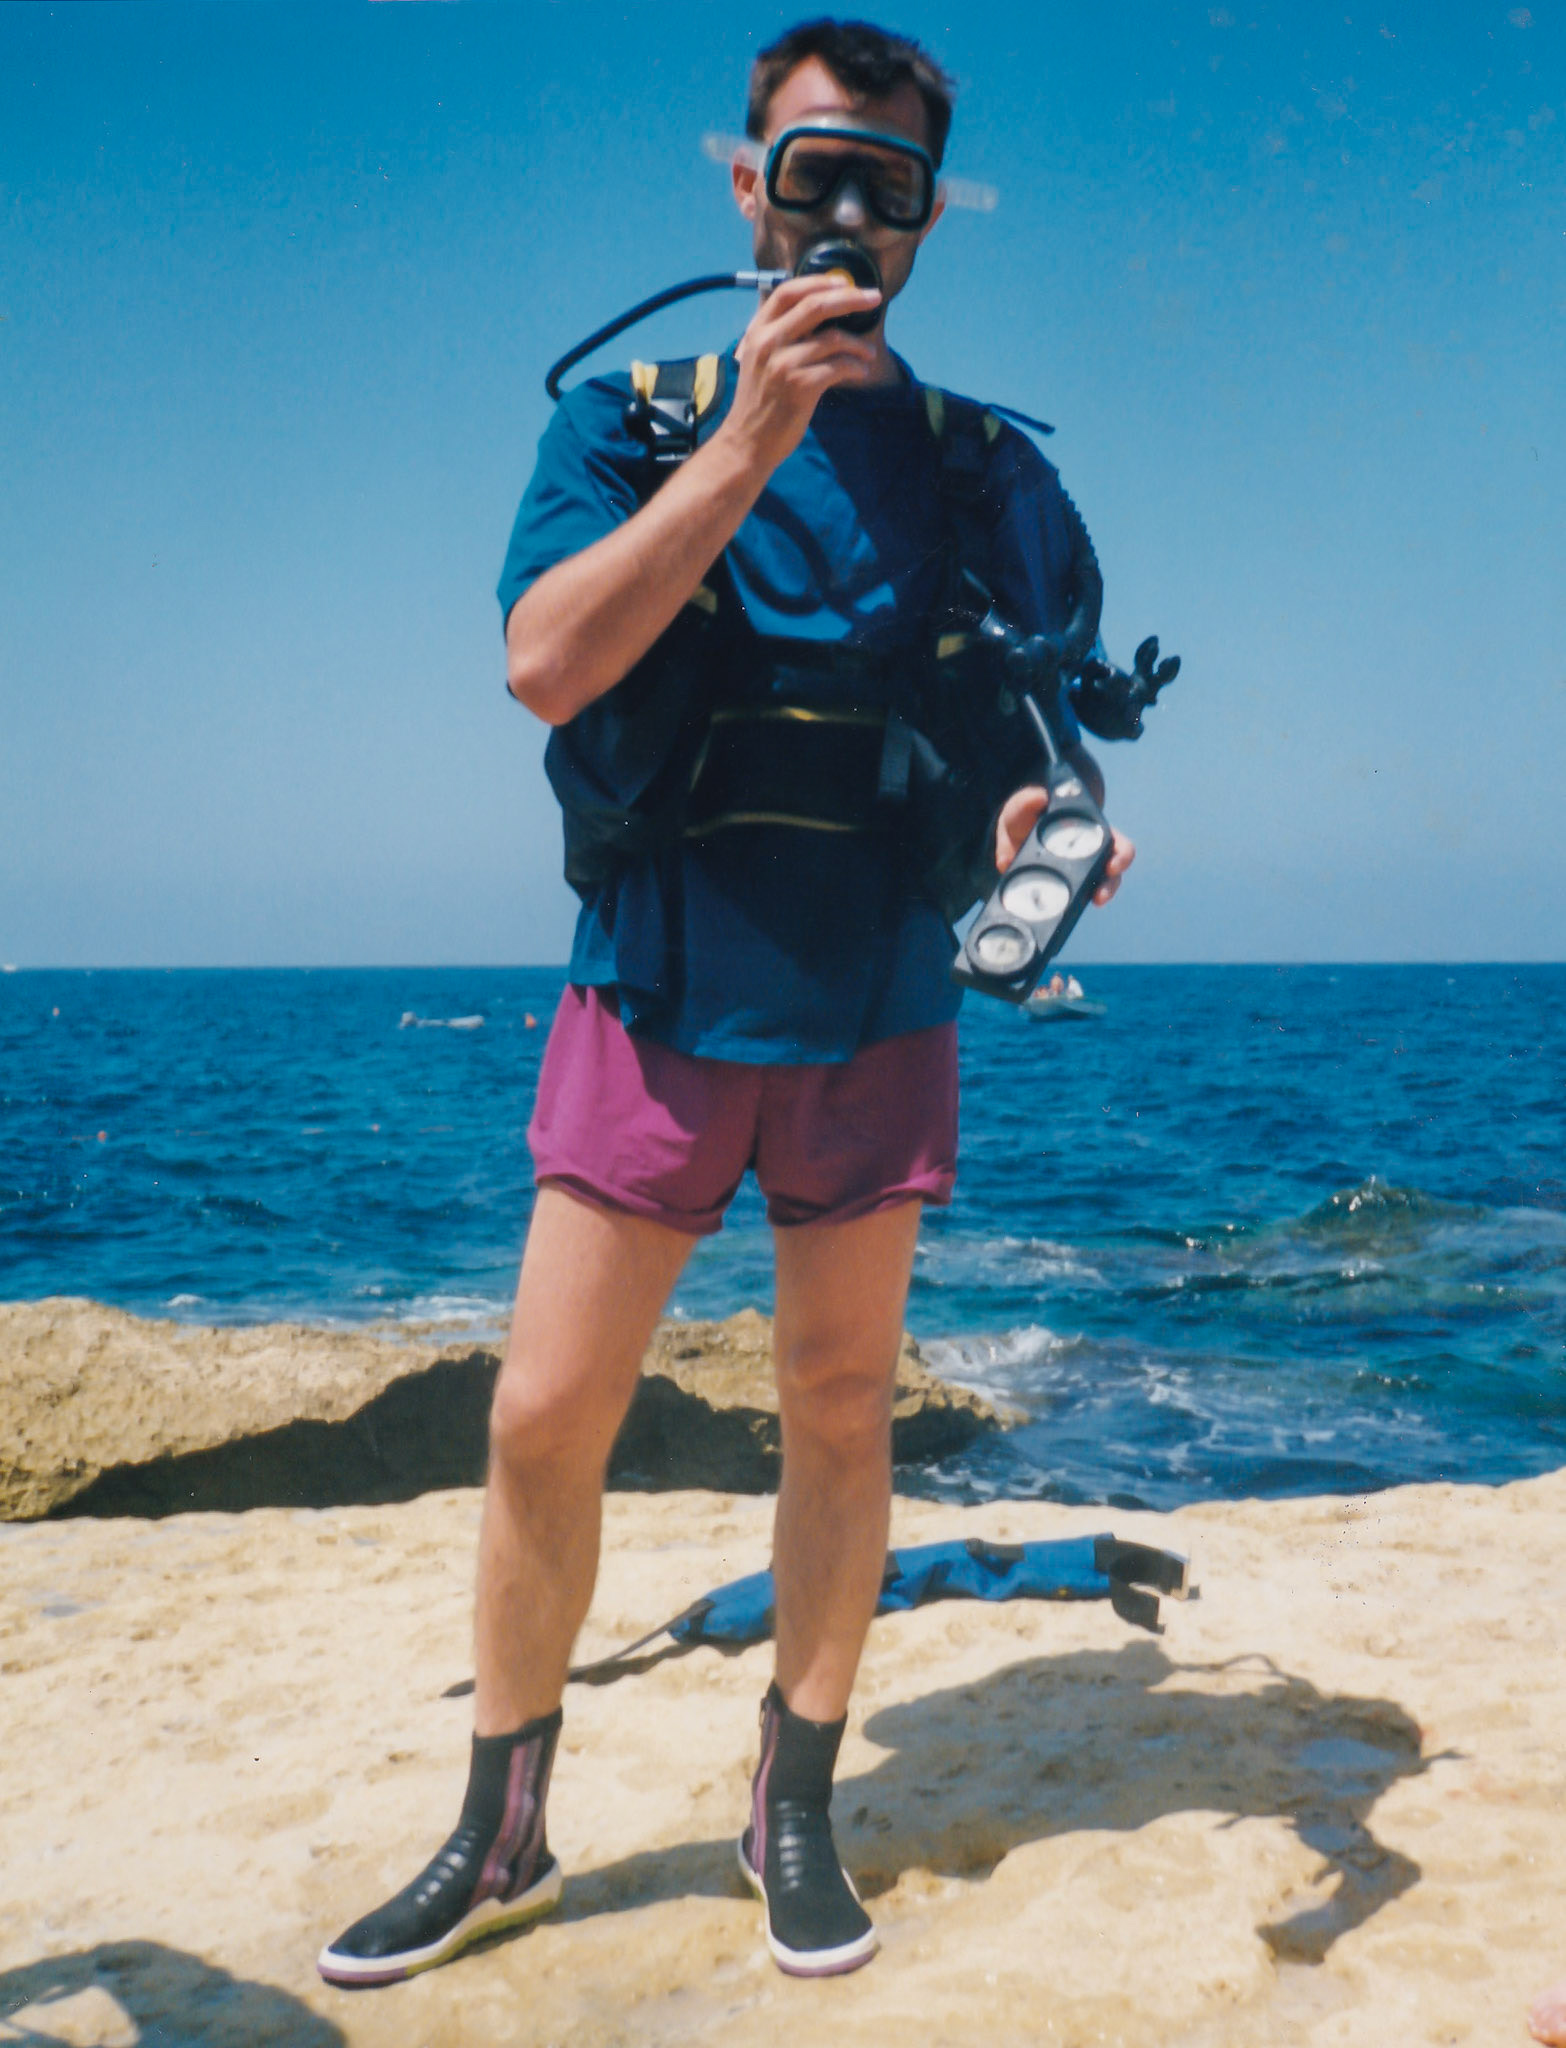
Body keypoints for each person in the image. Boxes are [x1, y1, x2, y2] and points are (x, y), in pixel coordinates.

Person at [318, 16, 1134, 1989]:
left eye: (887, 184)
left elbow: (1035, 738)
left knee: (840, 1411)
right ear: (745, 179)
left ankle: (797, 1804)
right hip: (659, 979)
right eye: (811, 170)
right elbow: (546, 658)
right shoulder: (630, 420)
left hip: (879, 995)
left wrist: (1053, 831)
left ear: (932, 213)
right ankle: (502, 1825)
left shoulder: (984, 471)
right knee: (542, 1416)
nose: (847, 215)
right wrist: (752, 438)